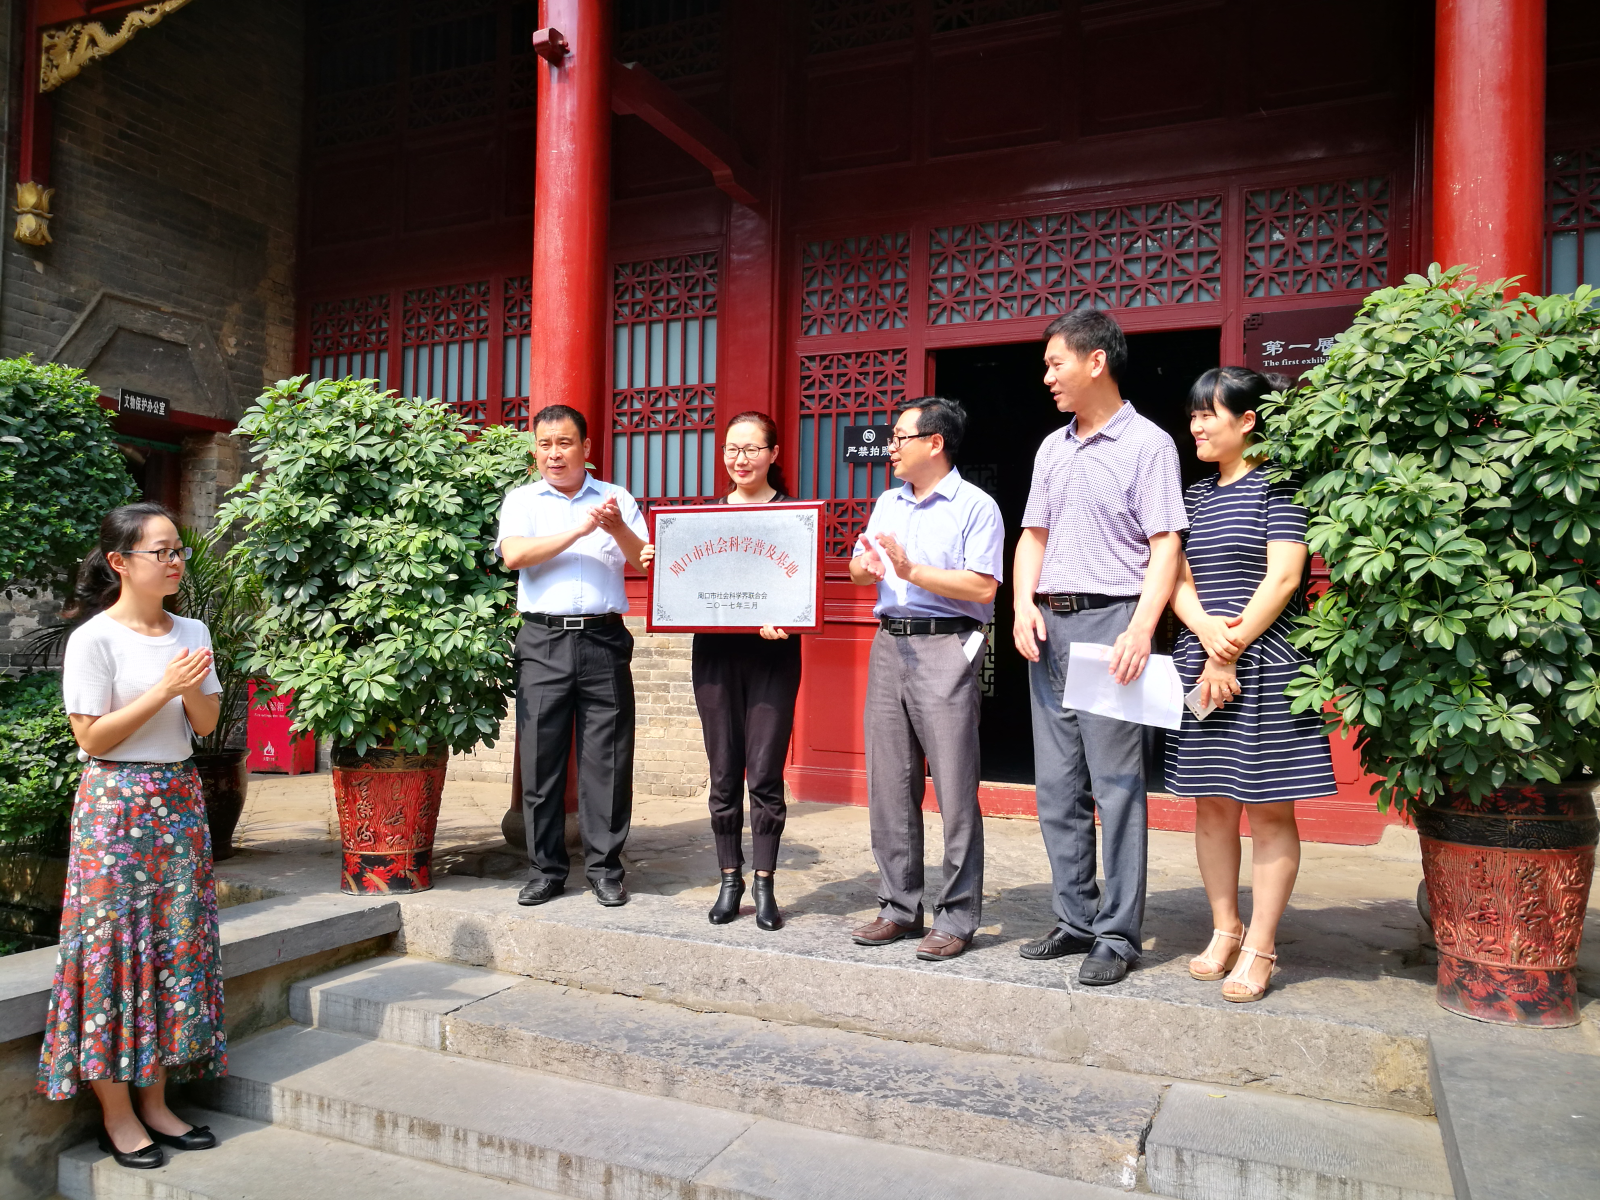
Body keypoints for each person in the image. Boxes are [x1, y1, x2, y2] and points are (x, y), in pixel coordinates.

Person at [39, 502, 224, 1169]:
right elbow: (92, 738)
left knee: (174, 945)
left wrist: (189, 686)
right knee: (112, 951)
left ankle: (157, 1103)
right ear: (120, 562)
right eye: (160, 551)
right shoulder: (94, 639)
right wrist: (162, 689)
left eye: (178, 550)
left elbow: (205, 724)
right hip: (115, 804)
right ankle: (116, 1116)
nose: (174, 562)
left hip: (178, 799)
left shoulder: (192, 630)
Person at [1013, 310, 1187, 986]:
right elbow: (1033, 535)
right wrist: (1021, 606)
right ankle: (1075, 918)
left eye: (1056, 363)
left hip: (1112, 624)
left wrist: (1141, 628)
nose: (1047, 377)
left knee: (1116, 789)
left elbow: (1165, 545)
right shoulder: (1051, 448)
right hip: (1049, 629)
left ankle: (1117, 934)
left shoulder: (1149, 444)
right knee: (1057, 788)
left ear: (1096, 362)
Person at [1166, 367, 1336, 1002]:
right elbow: (1176, 578)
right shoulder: (1192, 496)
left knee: (1268, 808)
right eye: (1193, 415)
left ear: (1248, 421)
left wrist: (1229, 647)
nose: (1196, 427)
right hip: (1201, 656)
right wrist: (1206, 633)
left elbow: (1285, 578)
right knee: (1211, 804)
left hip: (1266, 662)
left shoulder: (1279, 485)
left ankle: (1261, 946)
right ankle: (1224, 929)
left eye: (1207, 415)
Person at [848, 396, 1004, 962]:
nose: (890, 447)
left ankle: (957, 916)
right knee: (890, 783)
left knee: (956, 789)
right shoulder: (887, 502)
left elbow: (983, 586)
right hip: (889, 643)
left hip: (946, 644)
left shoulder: (976, 506)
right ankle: (898, 906)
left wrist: (913, 570)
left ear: (935, 443)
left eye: (900, 437)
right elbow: (857, 569)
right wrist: (864, 568)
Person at [497, 404, 654, 909]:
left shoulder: (616, 498)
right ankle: (545, 870)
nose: (554, 454)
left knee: (608, 760)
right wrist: (580, 531)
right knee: (541, 760)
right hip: (542, 641)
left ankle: (605, 869)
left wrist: (615, 527)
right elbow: (514, 556)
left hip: (603, 640)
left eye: (564, 443)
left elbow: (644, 562)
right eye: (544, 444)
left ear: (586, 447)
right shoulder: (523, 500)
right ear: (535, 450)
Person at [693, 411, 802, 931]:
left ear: (773, 454)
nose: (740, 459)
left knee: (764, 773)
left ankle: (764, 883)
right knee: (722, 772)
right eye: (731, 449)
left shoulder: (795, 518)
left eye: (752, 448)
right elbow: (687, 587)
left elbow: (801, 591)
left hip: (772, 657)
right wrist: (659, 560)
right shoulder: (701, 523)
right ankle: (728, 879)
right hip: (715, 656)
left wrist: (789, 619)